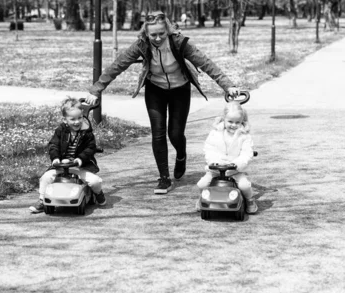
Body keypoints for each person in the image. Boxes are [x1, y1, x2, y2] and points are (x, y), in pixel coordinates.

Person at [85, 11, 239, 194]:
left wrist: (228, 86)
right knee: (158, 133)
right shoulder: (141, 45)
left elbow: (206, 63)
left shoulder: (179, 42)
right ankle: (164, 178)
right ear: (146, 33)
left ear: (167, 30)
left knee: (175, 133)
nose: (157, 38)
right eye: (153, 35)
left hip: (180, 89)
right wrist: (96, 90)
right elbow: (117, 66)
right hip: (155, 89)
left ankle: (181, 155)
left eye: (161, 34)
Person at [29, 97, 106, 213]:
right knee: (45, 178)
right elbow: (53, 145)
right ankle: (42, 200)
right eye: (72, 119)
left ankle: (98, 193)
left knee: (95, 181)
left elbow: (90, 148)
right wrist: (55, 159)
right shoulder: (61, 131)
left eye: (80, 118)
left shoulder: (87, 133)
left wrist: (80, 159)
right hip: (62, 166)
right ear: (65, 119)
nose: (77, 122)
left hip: (80, 166)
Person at [196, 101, 257, 214]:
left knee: (244, 185)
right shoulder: (215, 133)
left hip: (234, 170)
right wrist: (214, 161)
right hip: (216, 169)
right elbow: (209, 149)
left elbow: (246, 154)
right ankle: (202, 198)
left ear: (242, 122)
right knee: (202, 184)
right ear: (223, 119)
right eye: (230, 121)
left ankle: (249, 200)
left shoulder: (244, 136)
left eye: (237, 122)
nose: (233, 125)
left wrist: (237, 164)